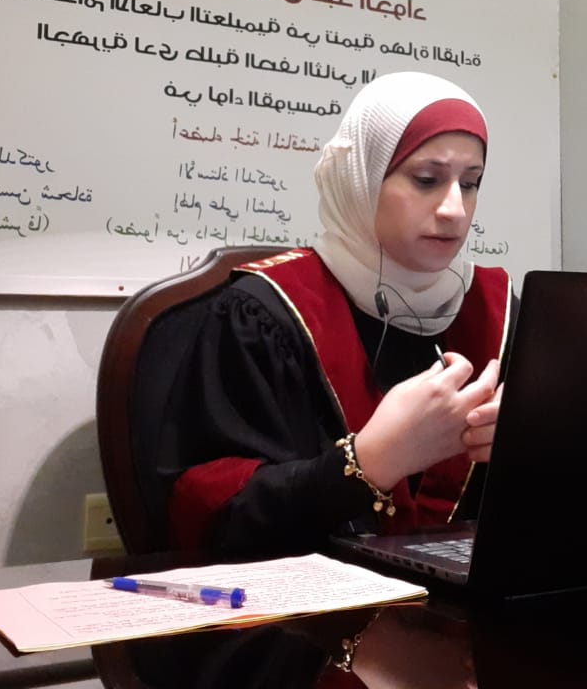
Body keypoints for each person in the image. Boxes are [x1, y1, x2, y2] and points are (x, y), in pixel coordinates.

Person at [159, 72, 512, 556]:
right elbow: (210, 515)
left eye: (470, 184)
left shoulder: (495, 308)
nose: (455, 209)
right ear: (360, 179)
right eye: (427, 180)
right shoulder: (262, 314)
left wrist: (523, 448)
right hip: (310, 595)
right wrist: (370, 462)